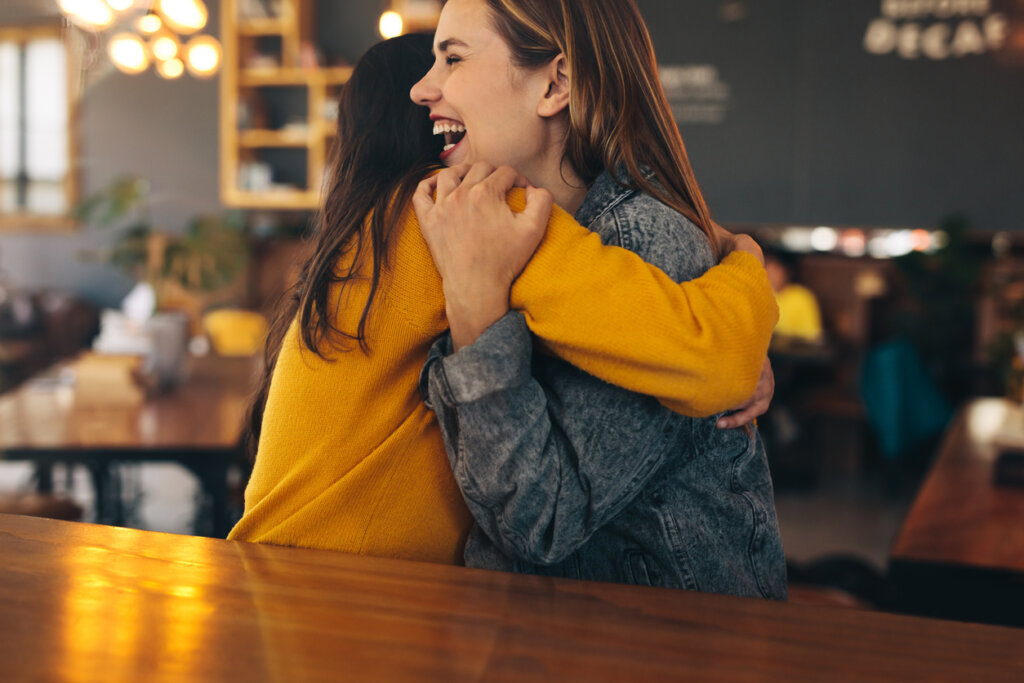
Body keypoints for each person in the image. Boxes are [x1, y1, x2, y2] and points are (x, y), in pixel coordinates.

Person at [230, 33, 777, 574]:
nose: (431, 88)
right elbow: (714, 357)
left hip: (280, 581)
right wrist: (739, 259)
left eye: (455, 61)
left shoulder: (372, 232)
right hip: (349, 603)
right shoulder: (460, 210)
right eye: (437, 63)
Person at [411, 0, 787, 599]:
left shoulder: (644, 244)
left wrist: (476, 314)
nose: (421, 88)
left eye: (451, 58)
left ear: (555, 84)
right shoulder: (484, 226)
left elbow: (540, 523)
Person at [765, 250, 825, 345]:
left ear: (786, 272)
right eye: (765, 268)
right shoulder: (762, 294)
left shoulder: (802, 297)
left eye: (774, 269)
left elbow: (812, 336)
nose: (768, 273)